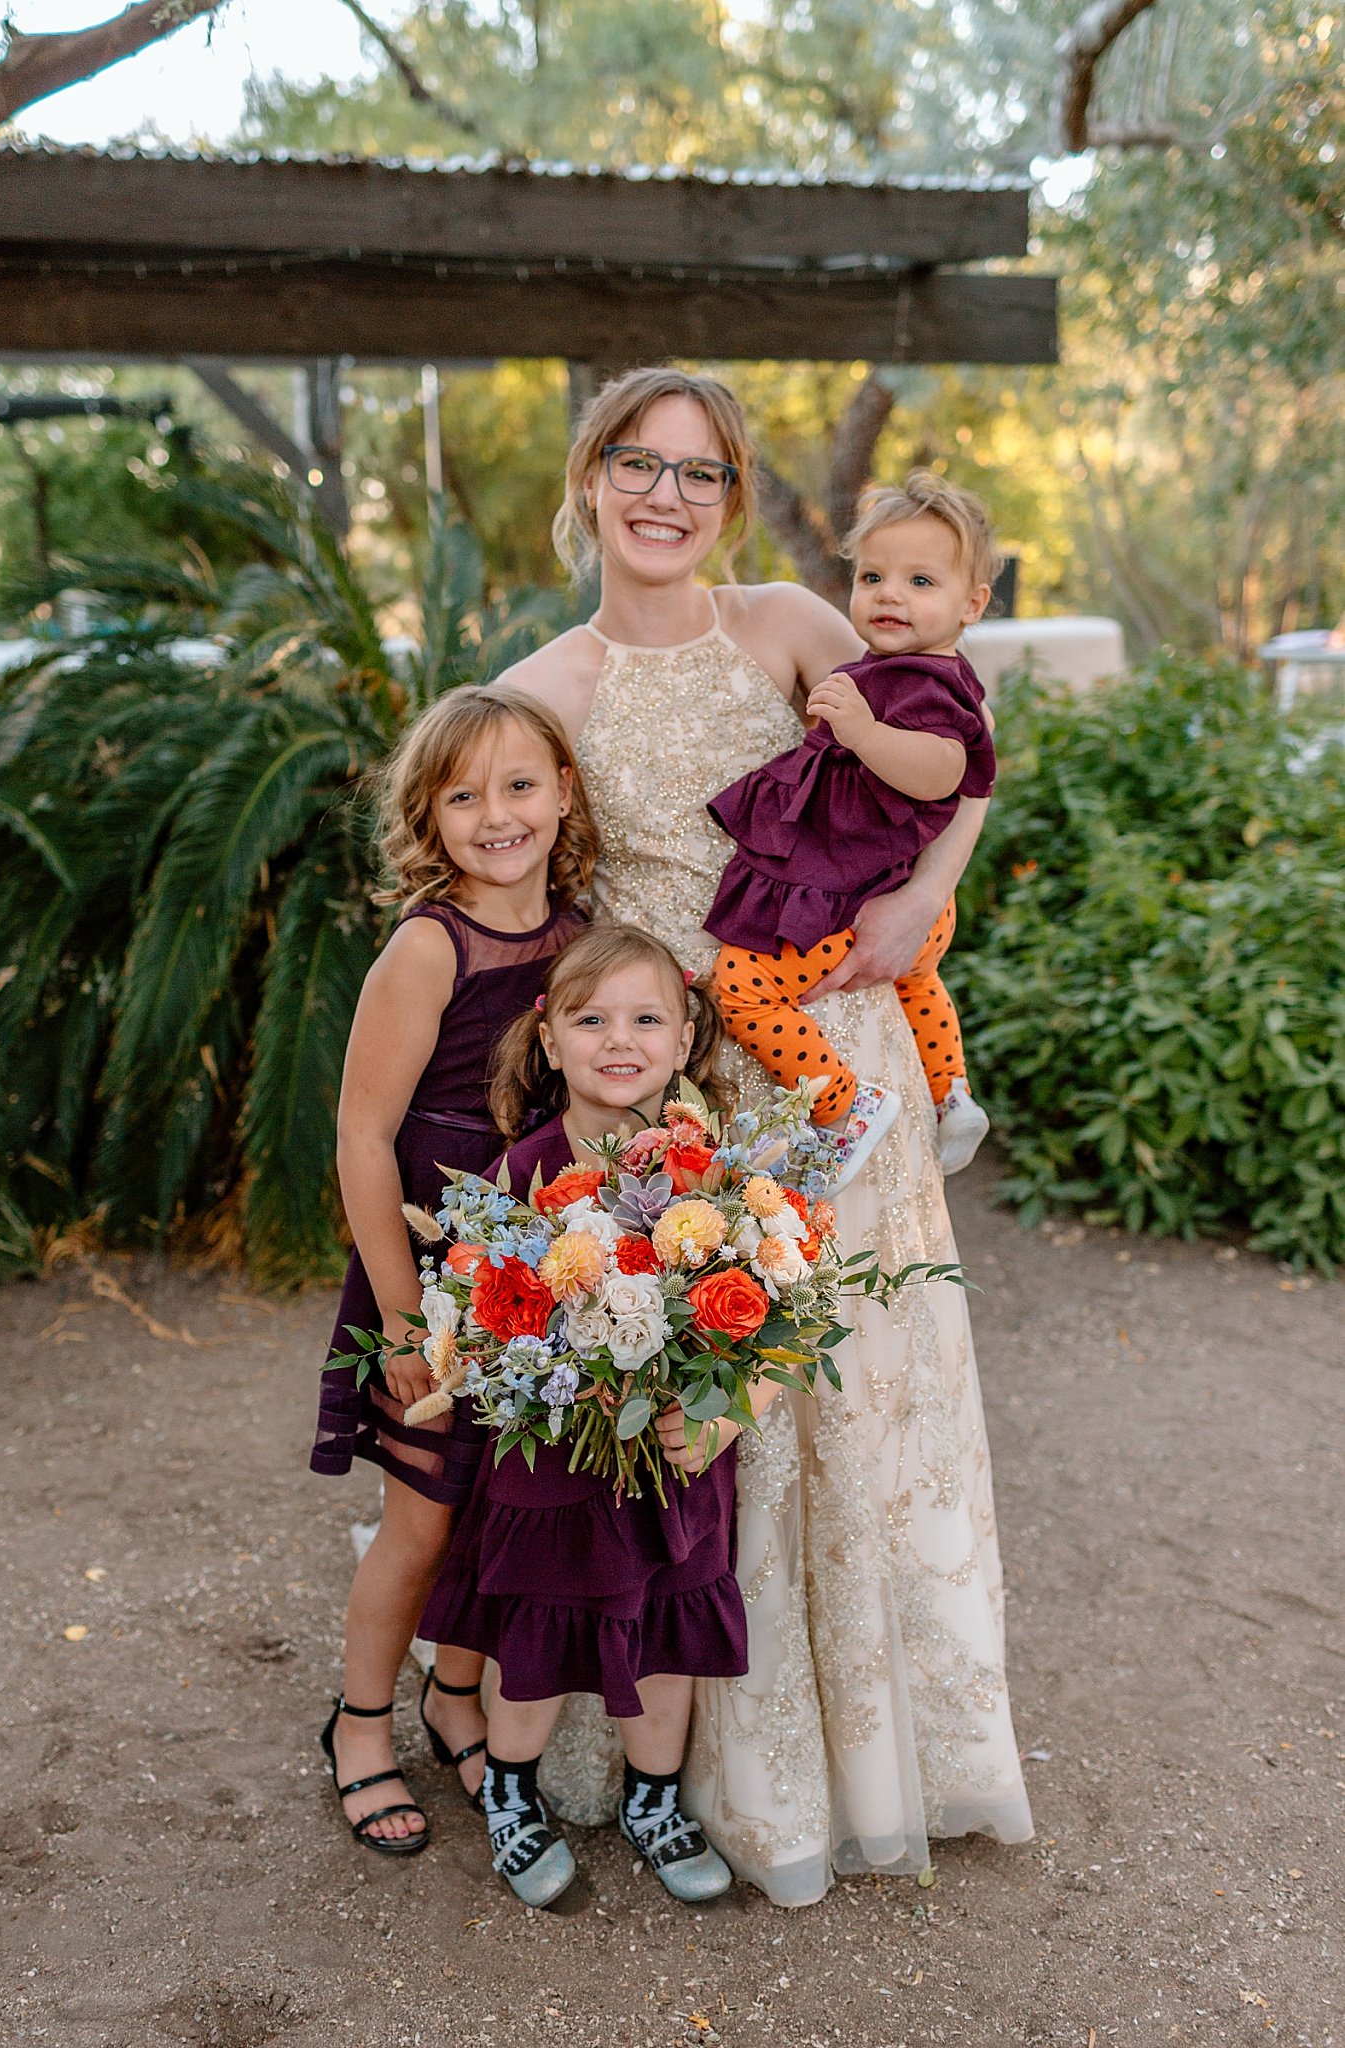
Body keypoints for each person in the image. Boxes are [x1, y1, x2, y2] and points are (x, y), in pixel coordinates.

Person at [500, 365, 1032, 1907]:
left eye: (700, 473)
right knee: (697, 1411)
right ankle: (673, 1763)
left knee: (856, 1388)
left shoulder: (799, 623)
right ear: (589, 479)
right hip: (666, 1082)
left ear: (732, 498)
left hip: (832, 1050)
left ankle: (877, 1756)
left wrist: (930, 895)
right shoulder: (550, 682)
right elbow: (516, 873)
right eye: (636, 464)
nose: (666, 497)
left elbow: (961, 740)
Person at [311, 685, 596, 1855]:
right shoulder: (430, 946)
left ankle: (455, 1697)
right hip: (428, 1278)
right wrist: (397, 1312)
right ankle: (362, 1721)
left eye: (520, 784)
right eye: (464, 792)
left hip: (536, 1275)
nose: (496, 813)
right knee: (423, 1520)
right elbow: (361, 1136)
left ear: (565, 792)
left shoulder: (580, 935)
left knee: (502, 1516)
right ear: (429, 813)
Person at [423, 926, 758, 1907]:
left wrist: (715, 1414)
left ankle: (654, 1800)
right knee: (536, 1640)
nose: (621, 1038)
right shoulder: (522, 1170)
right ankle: (511, 1795)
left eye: (646, 1017)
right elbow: (474, 1306)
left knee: (667, 1634)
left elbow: (767, 1319)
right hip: (555, 1466)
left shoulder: (710, 1176)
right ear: (550, 1035)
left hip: (672, 1457)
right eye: (592, 1017)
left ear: (686, 1032)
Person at [706, 470, 997, 1184]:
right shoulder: (893, 671)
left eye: (920, 581)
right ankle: (949, 1092)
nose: (889, 594)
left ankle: (841, 1107)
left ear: (972, 604)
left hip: (861, 898)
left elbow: (942, 773)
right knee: (917, 981)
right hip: (897, 894)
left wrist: (862, 733)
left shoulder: (927, 686)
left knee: (741, 985)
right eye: (872, 575)